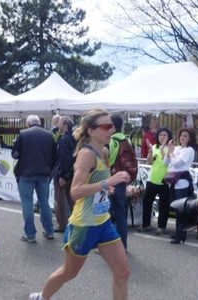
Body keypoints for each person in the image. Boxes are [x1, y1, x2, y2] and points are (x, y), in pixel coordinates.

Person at [29, 108, 131, 300]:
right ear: (91, 131)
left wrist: (105, 190)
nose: (111, 129)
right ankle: (41, 297)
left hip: (103, 222)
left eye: (113, 126)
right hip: (83, 226)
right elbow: (75, 191)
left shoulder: (105, 151)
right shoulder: (87, 154)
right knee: (69, 272)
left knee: (123, 272)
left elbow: (94, 184)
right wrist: (108, 182)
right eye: (106, 126)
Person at [12, 115, 57, 242]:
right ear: (39, 123)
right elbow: (55, 156)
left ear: (28, 123)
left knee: (27, 204)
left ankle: (30, 235)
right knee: (44, 203)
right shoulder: (49, 135)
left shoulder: (23, 134)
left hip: (26, 173)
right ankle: (49, 231)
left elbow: (15, 155)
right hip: (43, 173)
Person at [107, 114, 135, 251]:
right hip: (123, 180)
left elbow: (109, 161)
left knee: (106, 214)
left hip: (112, 180)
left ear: (112, 126)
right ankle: (123, 244)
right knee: (120, 213)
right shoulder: (127, 139)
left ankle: (108, 245)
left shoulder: (112, 141)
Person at [137, 127, 172, 235]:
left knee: (163, 205)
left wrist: (163, 150)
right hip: (152, 179)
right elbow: (150, 162)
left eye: (165, 135)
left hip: (164, 180)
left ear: (169, 137)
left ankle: (162, 226)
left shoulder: (171, 148)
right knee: (147, 202)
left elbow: (167, 163)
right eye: (160, 135)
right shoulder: (154, 146)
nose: (162, 137)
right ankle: (146, 224)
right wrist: (150, 152)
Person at [164, 127, 196, 244]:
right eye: (181, 135)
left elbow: (177, 163)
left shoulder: (189, 150)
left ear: (190, 138)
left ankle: (181, 234)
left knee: (181, 208)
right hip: (172, 179)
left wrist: (172, 154)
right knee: (176, 207)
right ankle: (178, 232)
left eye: (185, 136)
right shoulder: (177, 148)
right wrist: (169, 151)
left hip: (182, 180)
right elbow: (166, 162)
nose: (182, 138)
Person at [53, 116, 76, 232]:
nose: (58, 126)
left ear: (66, 126)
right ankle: (77, 221)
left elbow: (64, 158)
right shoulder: (75, 137)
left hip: (64, 173)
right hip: (73, 172)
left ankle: (62, 224)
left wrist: (63, 175)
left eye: (60, 124)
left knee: (60, 199)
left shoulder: (64, 139)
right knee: (72, 198)